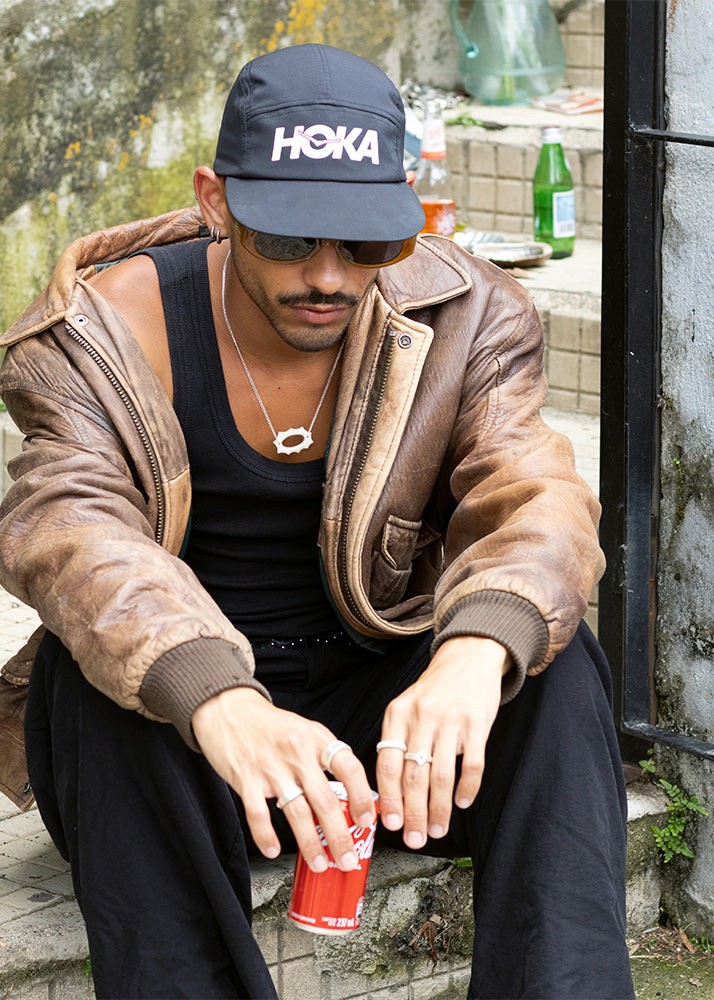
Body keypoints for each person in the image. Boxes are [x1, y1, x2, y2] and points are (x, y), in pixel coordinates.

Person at [0, 43, 634, 999]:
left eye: (365, 243)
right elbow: (69, 528)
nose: (329, 277)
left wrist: (472, 655)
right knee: (97, 682)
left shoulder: (470, 313)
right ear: (217, 201)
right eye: (290, 239)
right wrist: (219, 700)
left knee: (552, 660)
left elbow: (535, 494)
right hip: (193, 755)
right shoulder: (98, 331)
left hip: (390, 733)